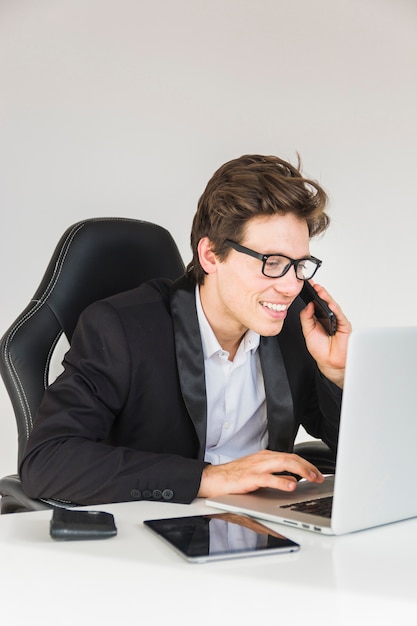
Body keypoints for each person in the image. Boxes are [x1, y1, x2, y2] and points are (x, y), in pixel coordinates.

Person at [19, 154, 351, 506]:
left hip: (266, 525)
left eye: (300, 265)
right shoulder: (120, 329)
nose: (290, 287)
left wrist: (338, 375)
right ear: (210, 255)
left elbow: (360, 450)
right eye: (273, 263)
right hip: (154, 535)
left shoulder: (295, 327)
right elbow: (47, 461)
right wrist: (207, 478)